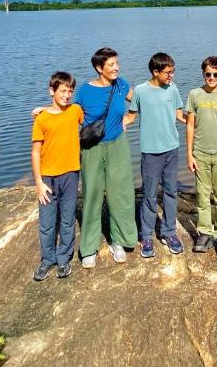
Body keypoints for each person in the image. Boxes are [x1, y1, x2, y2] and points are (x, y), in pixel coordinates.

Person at [75, 47, 138, 267]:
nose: (116, 68)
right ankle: (89, 246)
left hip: (117, 145)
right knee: (92, 194)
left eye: (117, 63)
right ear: (99, 67)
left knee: (120, 192)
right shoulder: (84, 91)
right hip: (92, 148)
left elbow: (140, 99)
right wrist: (44, 110)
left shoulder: (121, 85)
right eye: (111, 65)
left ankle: (118, 240)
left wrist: (130, 118)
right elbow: (69, 112)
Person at [124, 52, 186, 257]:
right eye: (168, 73)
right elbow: (131, 117)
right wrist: (114, 125)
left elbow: (179, 115)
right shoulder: (140, 91)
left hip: (172, 149)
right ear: (155, 72)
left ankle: (169, 232)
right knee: (149, 195)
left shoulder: (173, 89)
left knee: (170, 192)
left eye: (172, 72)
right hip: (150, 152)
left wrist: (199, 122)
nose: (171, 76)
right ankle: (147, 236)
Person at [30, 71, 83, 281]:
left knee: (68, 220)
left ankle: (63, 259)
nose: (67, 95)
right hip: (47, 177)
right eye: (63, 91)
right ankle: (47, 259)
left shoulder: (75, 111)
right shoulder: (41, 120)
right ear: (52, 91)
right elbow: (35, 152)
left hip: (70, 174)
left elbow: (90, 117)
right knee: (47, 222)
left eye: (70, 91)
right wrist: (38, 183)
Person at [185, 55, 217, 258]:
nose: (211, 77)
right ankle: (204, 232)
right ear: (203, 73)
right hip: (201, 153)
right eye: (208, 74)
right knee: (203, 196)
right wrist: (189, 154)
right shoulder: (195, 94)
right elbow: (190, 125)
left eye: (215, 74)